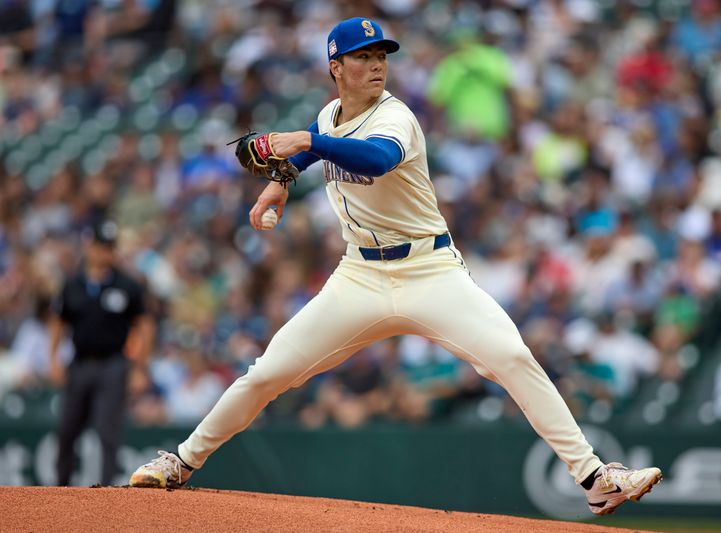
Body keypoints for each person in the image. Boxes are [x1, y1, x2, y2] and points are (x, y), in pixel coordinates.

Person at [130, 17, 662, 515]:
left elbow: (376, 158)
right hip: (358, 276)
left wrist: (305, 142)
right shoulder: (329, 116)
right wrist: (281, 180)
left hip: (429, 271)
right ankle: (180, 461)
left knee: (512, 356)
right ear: (336, 67)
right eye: (363, 56)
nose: (377, 63)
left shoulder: (396, 116)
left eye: (382, 53)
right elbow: (320, 149)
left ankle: (594, 479)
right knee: (268, 373)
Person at [50, 219, 154, 486]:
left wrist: (140, 368)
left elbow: (144, 325)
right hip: (80, 363)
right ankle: (60, 490)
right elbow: (59, 322)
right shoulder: (73, 284)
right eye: (100, 245)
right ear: (89, 245)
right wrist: (53, 359)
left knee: (109, 432)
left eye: (109, 246)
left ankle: (106, 495)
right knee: (67, 430)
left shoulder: (127, 285)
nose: (105, 252)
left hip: (113, 364)